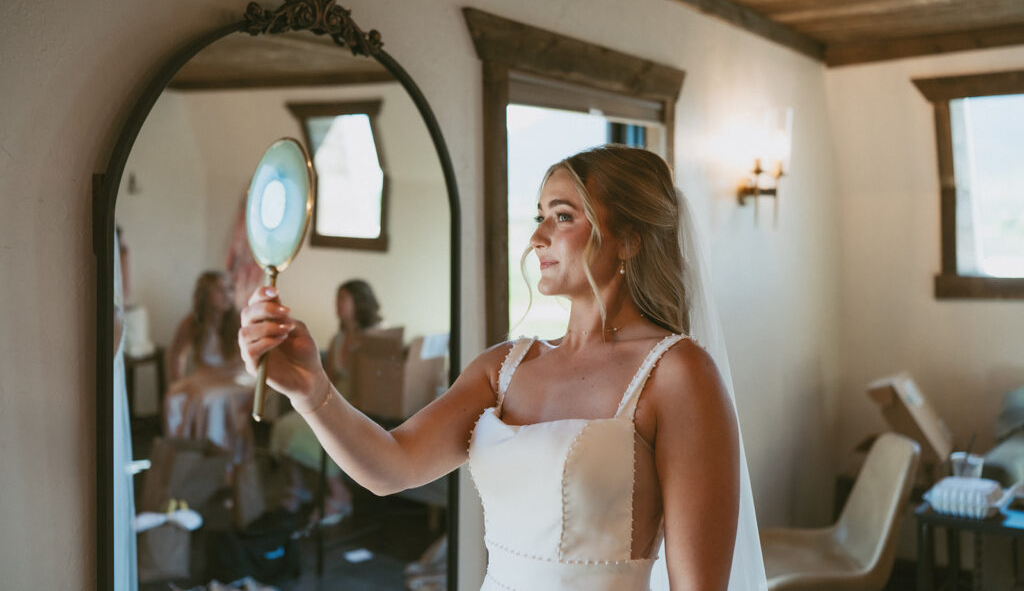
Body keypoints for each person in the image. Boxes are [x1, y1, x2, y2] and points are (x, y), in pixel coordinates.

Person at [240, 144, 765, 590]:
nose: (537, 238)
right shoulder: (503, 366)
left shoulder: (677, 373)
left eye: (563, 216)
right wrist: (310, 390)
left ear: (628, 238)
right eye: (540, 216)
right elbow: (390, 467)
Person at [269, 279, 383, 524]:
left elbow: (374, 385)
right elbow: (326, 379)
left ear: (358, 303)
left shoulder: (374, 340)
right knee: (285, 425)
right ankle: (297, 486)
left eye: (343, 299)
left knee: (325, 433)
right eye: (337, 299)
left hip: (358, 407)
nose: (337, 305)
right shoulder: (338, 339)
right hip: (333, 400)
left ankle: (339, 495)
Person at [165, 271, 254, 465]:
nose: (227, 295)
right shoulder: (192, 323)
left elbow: (260, 362)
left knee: (208, 399)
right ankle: (182, 457)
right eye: (220, 290)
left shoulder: (240, 322)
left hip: (237, 378)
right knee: (174, 397)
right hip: (205, 377)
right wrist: (177, 380)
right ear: (205, 295)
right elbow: (176, 353)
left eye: (230, 289)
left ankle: (218, 462)